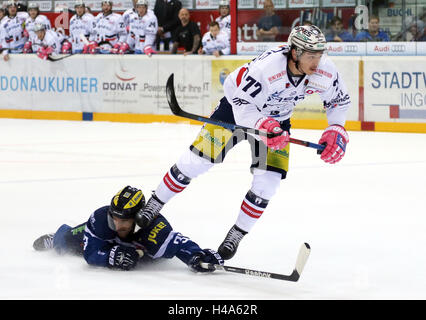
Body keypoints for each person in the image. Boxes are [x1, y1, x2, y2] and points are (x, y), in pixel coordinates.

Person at [135, 25, 351, 260]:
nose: (317, 61)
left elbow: (338, 100)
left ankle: (236, 234)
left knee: (269, 182)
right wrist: (263, 125)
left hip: (277, 121)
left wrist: (336, 128)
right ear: (295, 53)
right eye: (311, 55)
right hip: (236, 109)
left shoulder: (325, 70)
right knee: (197, 161)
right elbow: (242, 105)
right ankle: (155, 203)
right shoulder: (267, 69)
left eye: (319, 55)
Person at [33, 186, 224, 272]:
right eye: (114, 218)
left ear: (140, 217)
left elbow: (180, 245)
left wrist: (198, 256)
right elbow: (90, 254)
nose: (118, 225)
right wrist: (111, 257)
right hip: (104, 241)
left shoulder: (155, 227)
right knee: (67, 240)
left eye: (124, 220)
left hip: (139, 249)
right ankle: (56, 236)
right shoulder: (101, 219)